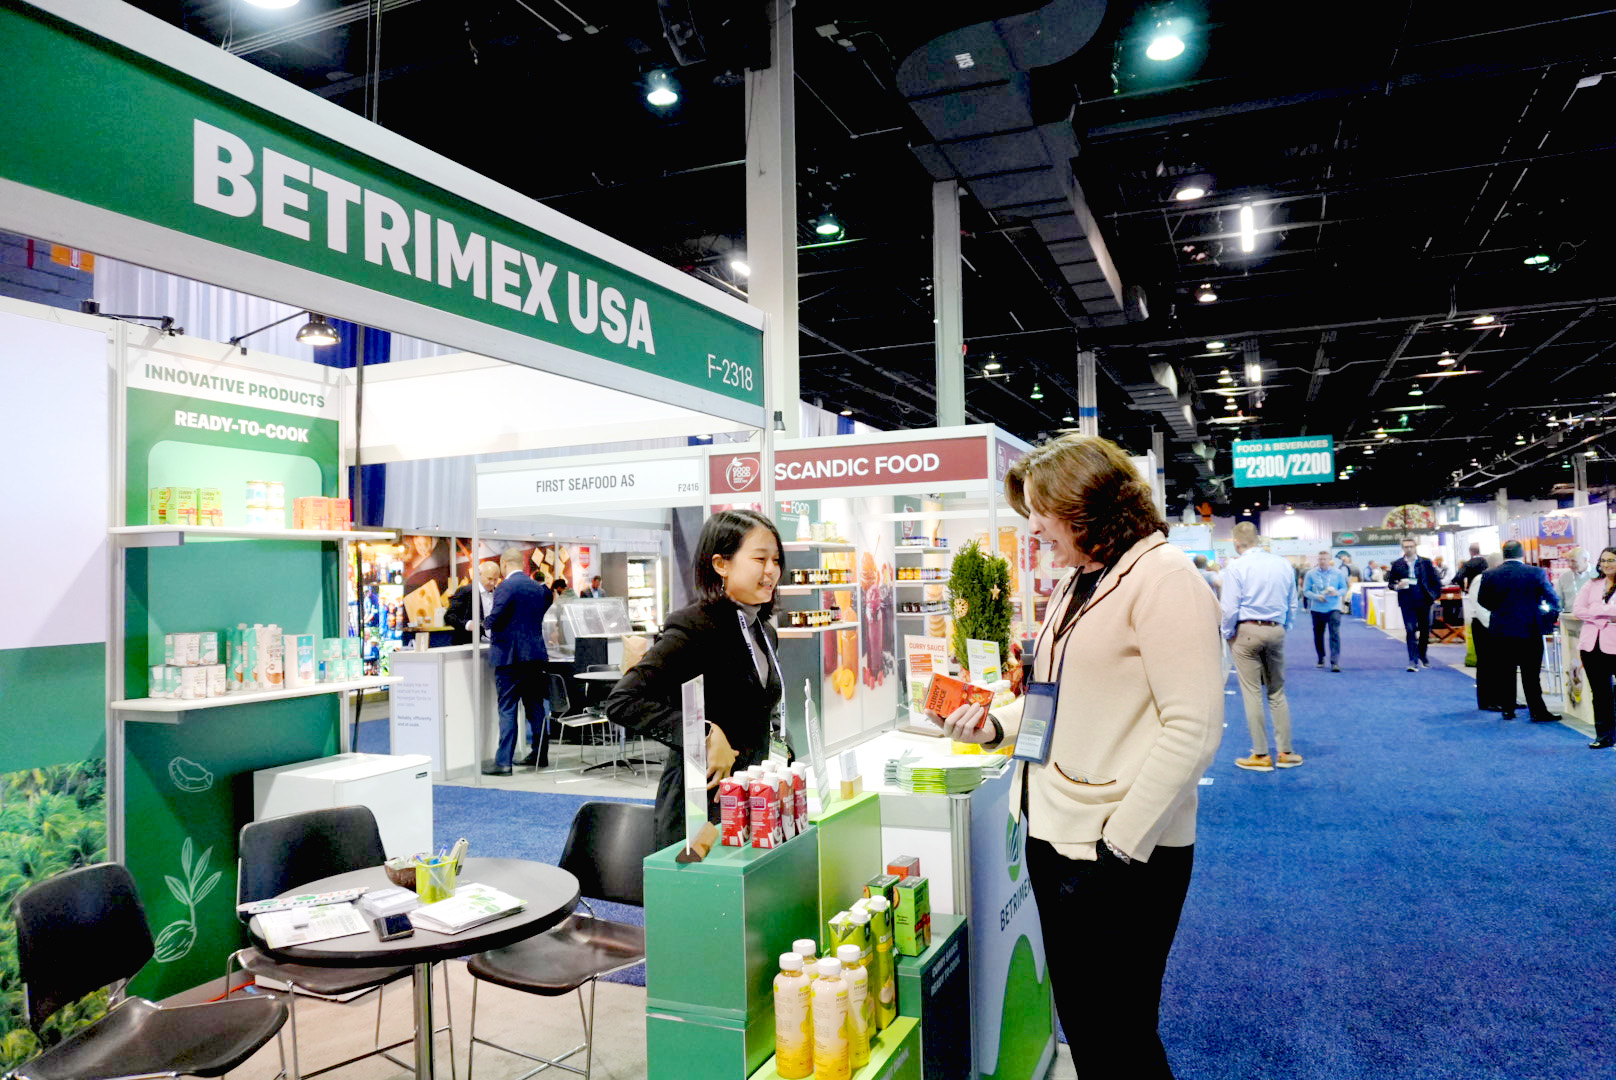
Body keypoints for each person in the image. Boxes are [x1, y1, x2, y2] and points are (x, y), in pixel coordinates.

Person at [932, 434, 1221, 1080]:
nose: (1033, 528)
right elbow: (1054, 699)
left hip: (1120, 854)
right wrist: (991, 728)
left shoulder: (1165, 579)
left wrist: (1119, 848)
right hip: (1056, 837)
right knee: (1090, 1030)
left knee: (1120, 1037)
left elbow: (1193, 729)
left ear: (1086, 507)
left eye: (1042, 511)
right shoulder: (1077, 582)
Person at [607, 509, 784, 851]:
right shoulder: (693, 627)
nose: (771, 570)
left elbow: (760, 709)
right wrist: (703, 732)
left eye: (776, 560)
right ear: (721, 564)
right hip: (701, 805)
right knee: (704, 884)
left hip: (754, 800)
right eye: (760, 559)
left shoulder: (764, 632)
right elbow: (624, 701)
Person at [1222, 521, 1301, 772]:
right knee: (1277, 692)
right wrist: (1284, 627)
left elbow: (1229, 608)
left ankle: (1261, 754)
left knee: (1252, 693)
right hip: (1276, 629)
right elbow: (1293, 602)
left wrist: (1227, 634)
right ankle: (1285, 753)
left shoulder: (1236, 567)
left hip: (1246, 632)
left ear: (1237, 542)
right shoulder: (1283, 564)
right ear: (1258, 539)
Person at [484, 548, 555, 774]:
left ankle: (503, 762)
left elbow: (496, 618)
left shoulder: (506, 587)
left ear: (504, 563)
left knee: (507, 708)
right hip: (535, 655)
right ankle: (540, 755)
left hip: (509, 657)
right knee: (535, 707)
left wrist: (483, 623)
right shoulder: (537, 588)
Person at [1478, 540, 1560, 722]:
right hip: (1530, 630)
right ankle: (1537, 711)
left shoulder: (1490, 574)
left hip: (1501, 631)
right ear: (1522, 554)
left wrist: (1499, 611)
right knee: (1531, 675)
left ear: (1504, 554)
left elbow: (1482, 600)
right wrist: (1546, 618)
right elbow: (1553, 599)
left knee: (1505, 672)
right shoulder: (1536, 572)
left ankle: (1508, 709)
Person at [1572, 547, 1616, 749]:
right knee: (1600, 693)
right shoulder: (1592, 584)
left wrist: (1598, 610)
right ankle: (1604, 735)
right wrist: (1604, 617)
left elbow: (1591, 610)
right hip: (1591, 646)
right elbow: (1578, 610)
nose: (1606, 564)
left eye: (1611, 560)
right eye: (1603, 560)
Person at [1386, 537, 1442, 672]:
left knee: (1425, 630)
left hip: (1424, 600)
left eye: (1411, 546)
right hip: (1407, 601)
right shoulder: (1397, 564)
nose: (1409, 549)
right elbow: (1390, 583)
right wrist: (1397, 586)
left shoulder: (1425, 563)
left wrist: (1433, 595)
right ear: (1403, 548)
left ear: (1415, 547)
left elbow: (1436, 582)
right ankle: (1412, 660)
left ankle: (1422, 653)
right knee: (1410, 630)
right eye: (1406, 547)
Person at [1466, 553, 1504, 710]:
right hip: (1483, 625)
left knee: (1501, 664)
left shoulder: (1499, 578)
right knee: (1486, 663)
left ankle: (1504, 698)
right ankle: (1487, 701)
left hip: (1497, 625)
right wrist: (1491, 624)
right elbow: (1478, 605)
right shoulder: (1480, 579)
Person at [1303, 550, 1347, 671]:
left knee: (1335, 634)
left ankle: (1334, 662)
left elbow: (1344, 588)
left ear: (1329, 560)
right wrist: (1317, 597)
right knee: (1318, 634)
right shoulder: (1311, 574)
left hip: (1334, 608)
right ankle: (1321, 656)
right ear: (1318, 560)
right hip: (1317, 608)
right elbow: (1306, 591)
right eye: (1320, 559)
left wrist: (1337, 593)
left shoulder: (1338, 573)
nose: (1322, 561)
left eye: (1325, 559)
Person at [446, 560, 501, 645]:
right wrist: (468, 624)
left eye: (495, 579)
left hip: (494, 644)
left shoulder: (499, 594)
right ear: (479, 574)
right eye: (489, 579)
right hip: (468, 644)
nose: (492, 583)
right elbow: (449, 616)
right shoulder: (465, 592)